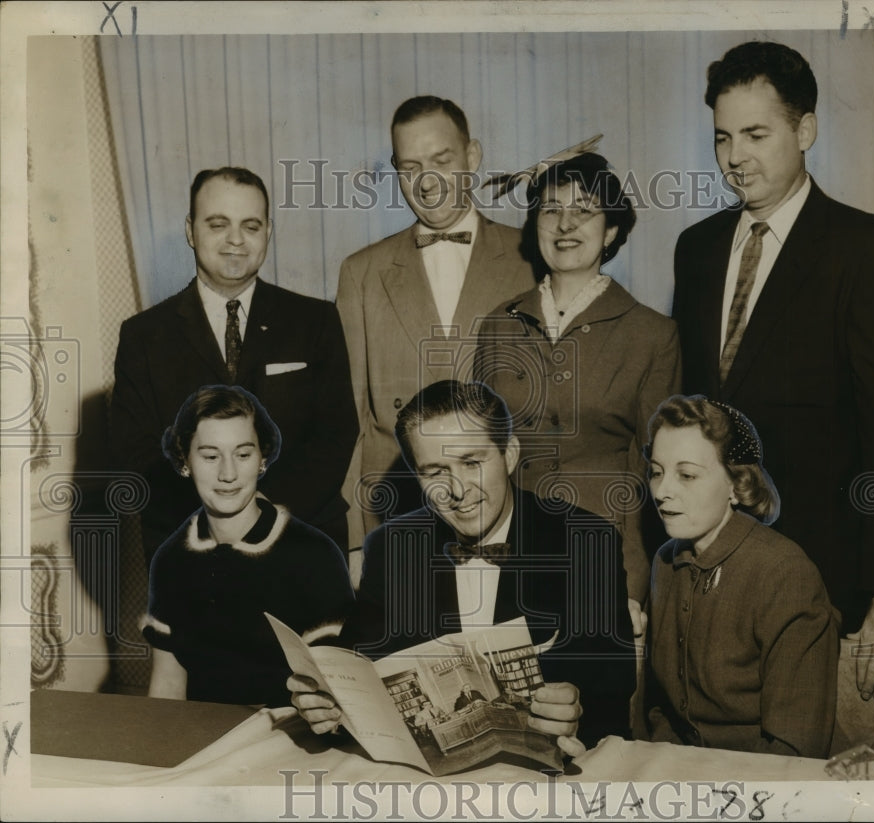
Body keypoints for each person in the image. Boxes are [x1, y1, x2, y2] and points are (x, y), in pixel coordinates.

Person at [670, 41, 874, 698]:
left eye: (757, 134)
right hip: (706, 580)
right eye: (723, 138)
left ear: (806, 129)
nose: (736, 157)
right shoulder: (697, 249)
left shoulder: (870, 250)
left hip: (828, 586)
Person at [288, 380, 636, 754]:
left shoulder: (586, 541)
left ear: (509, 453)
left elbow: (612, 686)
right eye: (434, 471)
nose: (456, 489)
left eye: (471, 462)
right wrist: (327, 704)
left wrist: (575, 709)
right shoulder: (393, 547)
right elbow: (358, 673)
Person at [474, 152, 682, 631]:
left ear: (610, 232)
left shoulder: (653, 335)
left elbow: (653, 469)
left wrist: (632, 583)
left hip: (605, 553)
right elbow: (481, 455)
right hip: (510, 556)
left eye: (584, 210)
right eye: (550, 209)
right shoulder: (496, 327)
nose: (565, 224)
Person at [112, 167, 357, 566]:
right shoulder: (143, 335)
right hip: (189, 553)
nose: (236, 240)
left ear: (268, 232)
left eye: (251, 225)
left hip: (303, 544)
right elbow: (135, 453)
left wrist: (262, 517)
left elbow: (336, 433)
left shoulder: (316, 320)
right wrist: (220, 517)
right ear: (191, 231)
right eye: (218, 224)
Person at [337, 96, 534, 553]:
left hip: (503, 511)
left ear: (473, 156)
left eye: (441, 161)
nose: (426, 183)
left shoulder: (532, 258)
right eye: (409, 167)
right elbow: (349, 419)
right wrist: (353, 542)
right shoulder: (360, 272)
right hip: (396, 510)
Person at [643, 395, 839, 758]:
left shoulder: (784, 573)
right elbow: (662, 713)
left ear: (737, 484)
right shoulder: (665, 564)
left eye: (686, 475)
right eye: (657, 472)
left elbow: (795, 749)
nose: (662, 491)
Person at [141, 385, 354, 707]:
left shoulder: (314, 555)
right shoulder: (170, 559)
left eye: (243, 454)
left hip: (295, 741)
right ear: (185, 461)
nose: (228, 474)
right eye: (211, 456)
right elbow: (167, 685)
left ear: (263, 459)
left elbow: (343, 692)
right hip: (203, 739)